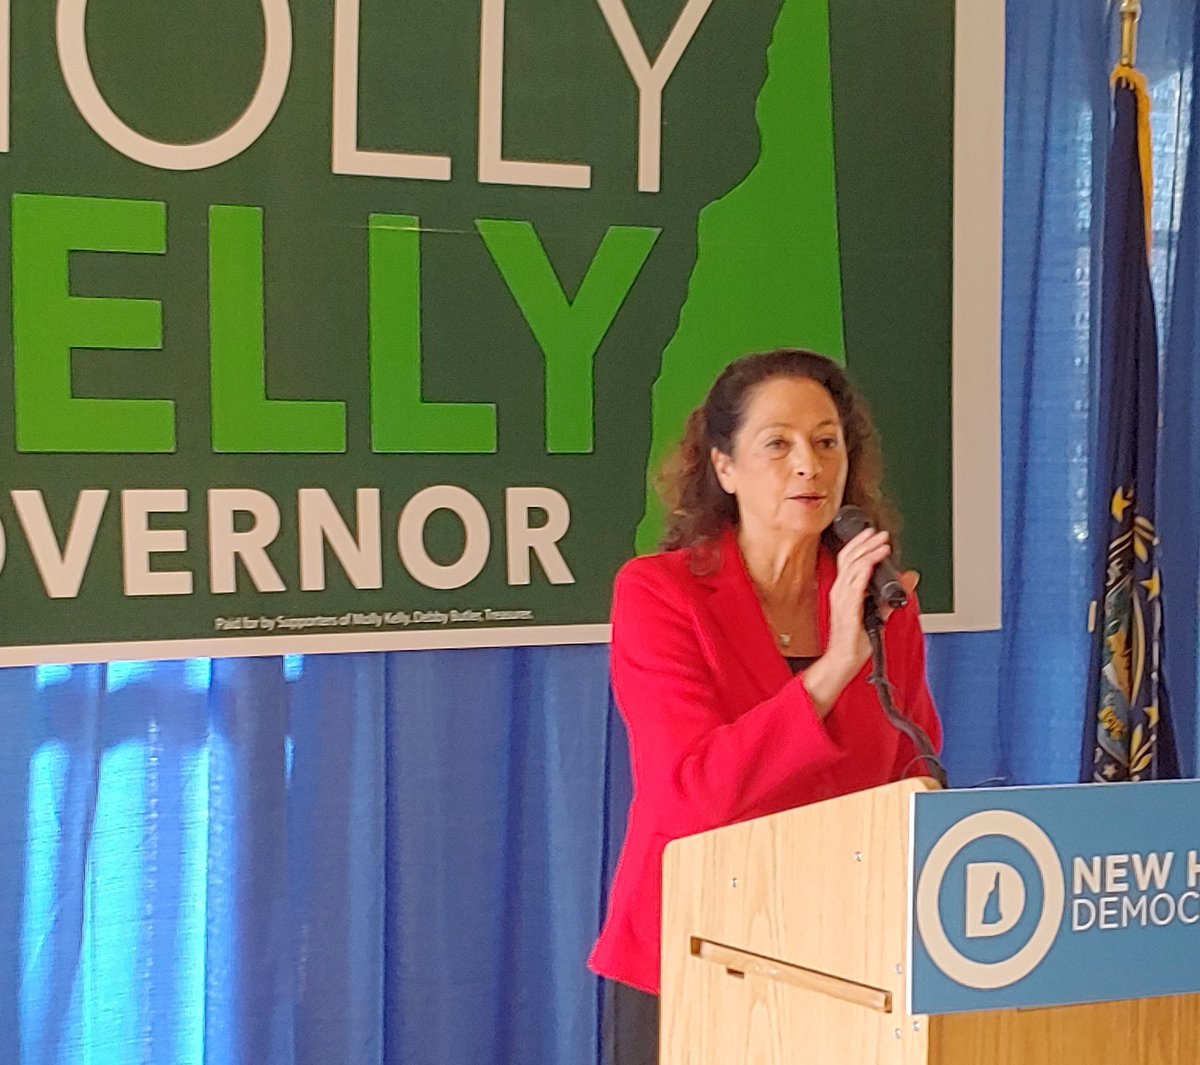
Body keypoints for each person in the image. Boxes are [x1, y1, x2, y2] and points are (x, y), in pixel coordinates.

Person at [589, 349, 943, 1065]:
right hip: (694, 950)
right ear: (724, 467)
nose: (809, 465)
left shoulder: (879, 601)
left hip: (845, 961)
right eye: (777, 444)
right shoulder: (660, 593)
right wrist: (833, 669)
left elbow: (915, 771)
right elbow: (692, 792)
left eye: (826, 441)